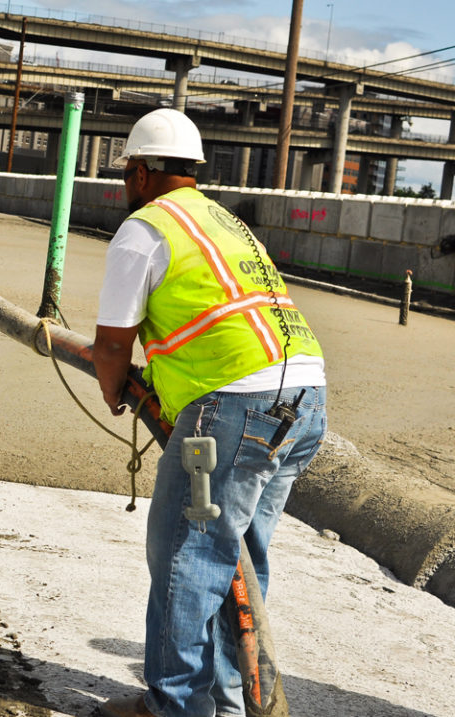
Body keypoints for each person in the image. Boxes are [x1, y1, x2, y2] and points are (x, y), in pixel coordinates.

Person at [91, 108, 327, 717]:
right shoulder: (225, 220)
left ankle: (174, 707)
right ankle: (226, 700)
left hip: (233, 409)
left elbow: (114, 343)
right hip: (304, 397)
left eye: (127, 174)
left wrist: (115, 389)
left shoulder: (145, 228)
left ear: (141, 173)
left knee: (187, 555)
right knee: (241, 557)